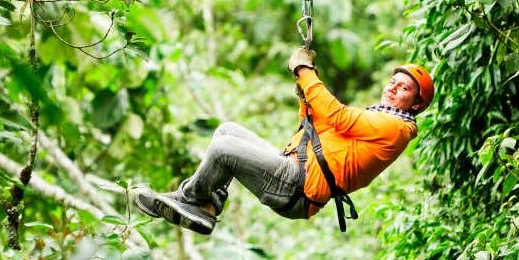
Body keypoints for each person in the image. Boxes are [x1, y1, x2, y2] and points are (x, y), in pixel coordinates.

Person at [133, 48, 433, 234]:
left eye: (404, 88)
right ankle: (207, 204)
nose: (393, 89)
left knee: (223, 150)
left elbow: (339, 117)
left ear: (416, 104)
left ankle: (192, 201)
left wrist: (305, 72)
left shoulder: (395, 127)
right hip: (294, 169)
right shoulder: (380, 117)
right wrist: (305, 96)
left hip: (298, 188)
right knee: (227, 131)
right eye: (393, 82)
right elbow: (318, 123)